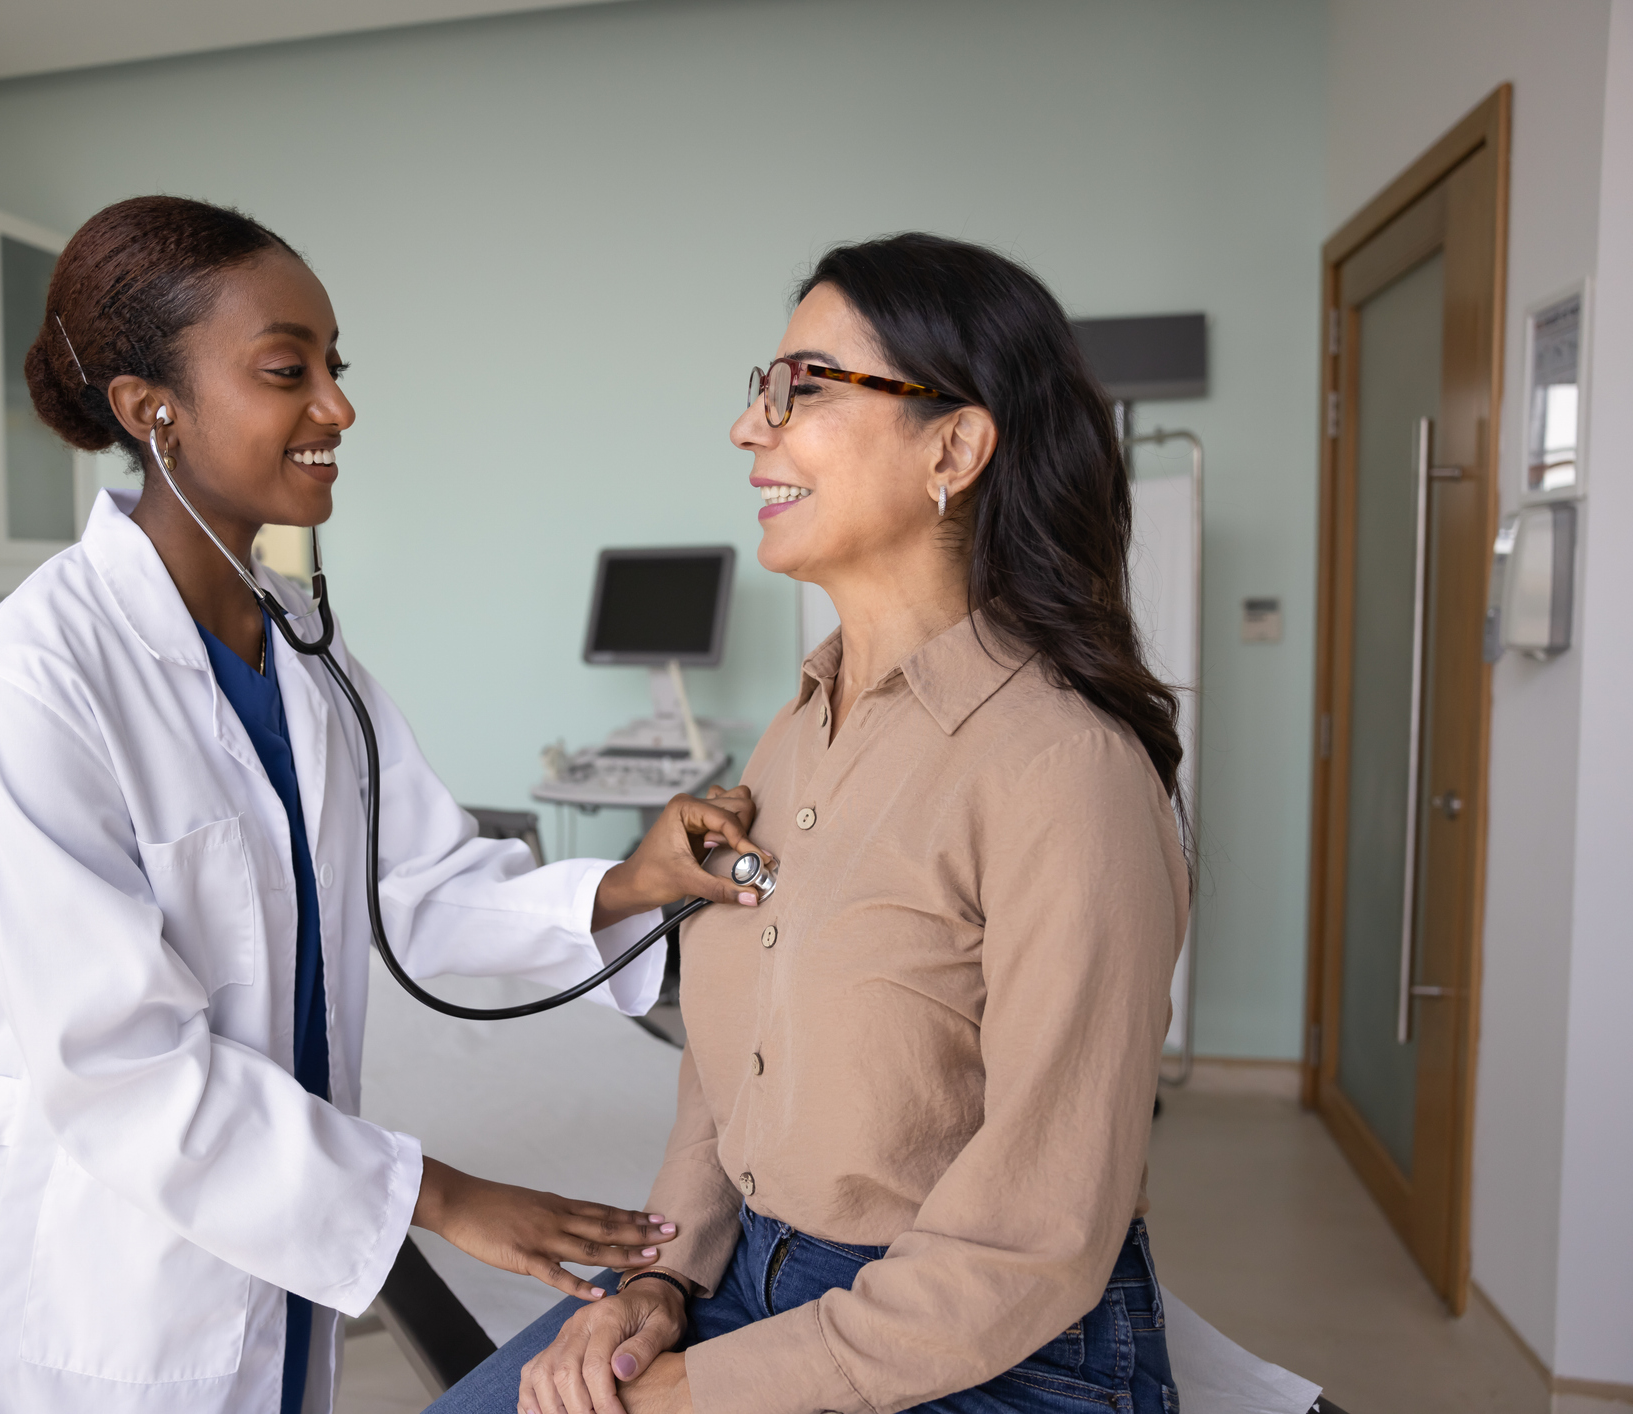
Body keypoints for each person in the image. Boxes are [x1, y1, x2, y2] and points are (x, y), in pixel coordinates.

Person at [0, 195, 769, 1414]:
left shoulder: (306, 655)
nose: (338, 405)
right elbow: (119, 1063)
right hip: (107, 1266)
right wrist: (441, 1196)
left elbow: (418, 885)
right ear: (146, 408)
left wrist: (633, 879)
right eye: (288, 370)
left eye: (335, 365)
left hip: (268, 1221)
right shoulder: (30, 677)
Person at [428, 233, 1191, 1414]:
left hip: (983, 1343)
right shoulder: (793, 741)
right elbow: (725, 1077)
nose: (749, 429)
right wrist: (660, 1279)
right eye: (759, 390)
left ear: (955, 443)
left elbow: (1029, 1242)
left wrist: (694, 1394)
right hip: (745, 1277)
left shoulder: (1062, 769)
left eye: (803, 388)